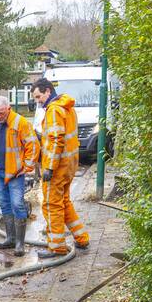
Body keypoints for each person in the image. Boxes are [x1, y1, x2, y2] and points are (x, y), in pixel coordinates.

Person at [30, 78, 90, 258]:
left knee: (51, 205)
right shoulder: (67, 107)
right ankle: (81, 238)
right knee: (64, 202)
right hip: (69, 165)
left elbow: (56, 139)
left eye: (39, 96)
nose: (38, 101)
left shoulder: (54, 110)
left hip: (57, 168)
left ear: (48, 91)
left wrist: (49, 167)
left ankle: (56, 247)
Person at [0, 96, 39, 256]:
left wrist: (27, 166)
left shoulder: (20, 123)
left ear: (8, 109)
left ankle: (20, 243)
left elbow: (33, 144)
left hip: (15, 173)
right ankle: (10, 239)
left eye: (2, 113)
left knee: (17, 204)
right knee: (4, 204)